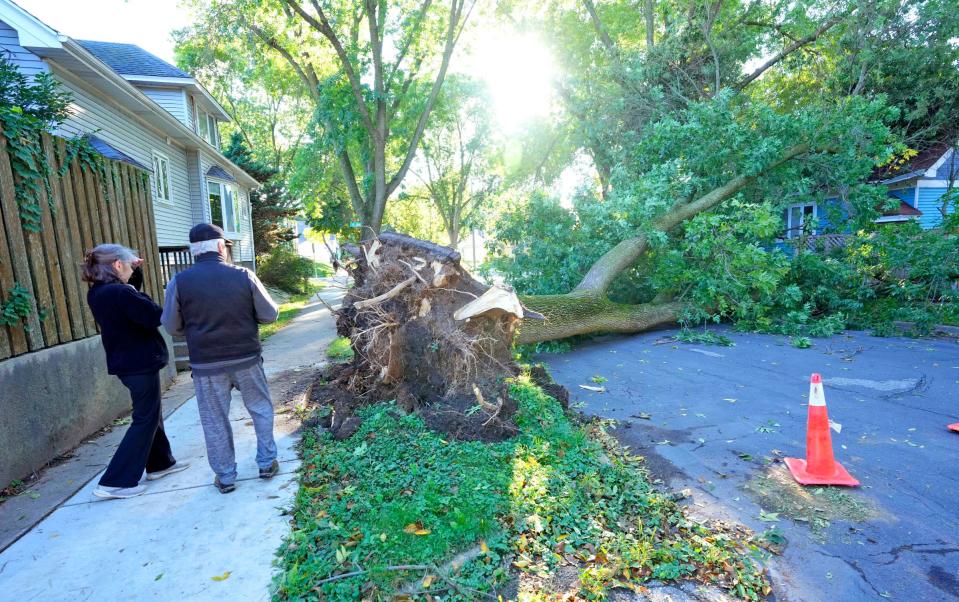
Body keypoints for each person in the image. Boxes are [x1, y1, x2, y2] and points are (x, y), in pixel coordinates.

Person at [161, 224, 280, 494]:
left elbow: (171, 326)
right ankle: (266, 462)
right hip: (246, 358)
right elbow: (270, 315)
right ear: (219, 247)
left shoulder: (179, 282)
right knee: (260, 408)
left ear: (193, 251)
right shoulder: (243, 276)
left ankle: (226, 477)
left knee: (214, 419)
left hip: (206, 364)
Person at [83, 244, 189, 499]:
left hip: (127, 363)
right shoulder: (120, 293)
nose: (132, 268)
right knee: (145, 418)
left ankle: (160, 463)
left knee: (151, 414)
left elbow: (132, 298)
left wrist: (135, 273)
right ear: (117, 265)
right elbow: (153, 315)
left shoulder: (99, 292)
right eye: (129, 264)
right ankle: (116, 481)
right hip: (138, 363)